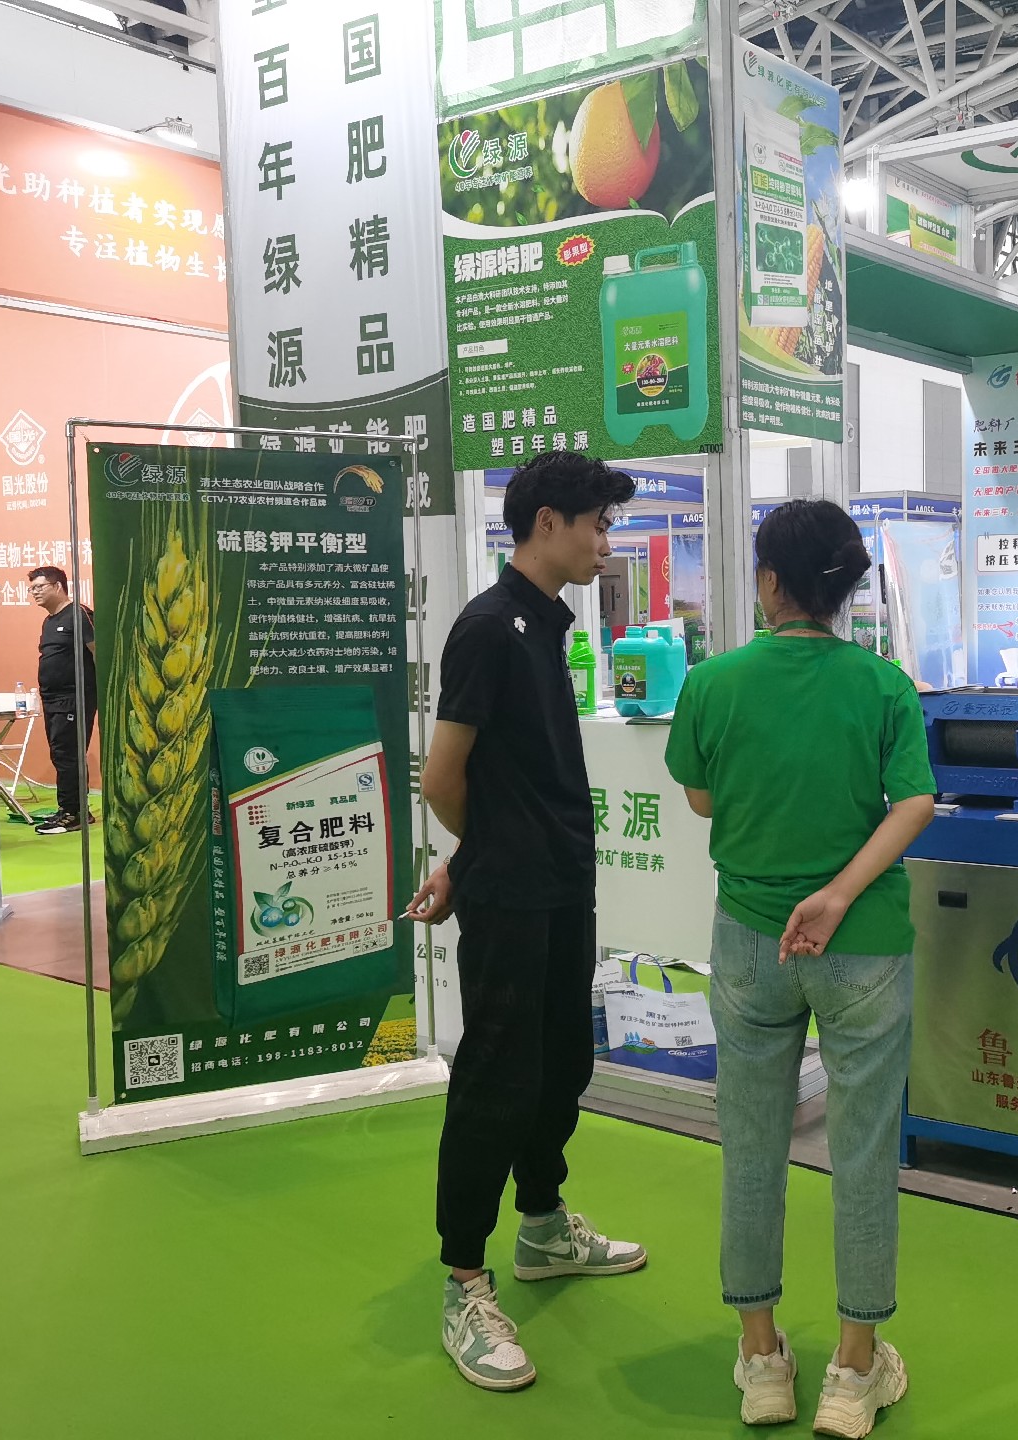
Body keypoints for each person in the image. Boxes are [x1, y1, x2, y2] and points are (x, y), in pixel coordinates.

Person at [667, 499, 935, 1437]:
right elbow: (914, 803)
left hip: (749, 939)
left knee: (750, 1146)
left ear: (770, 582)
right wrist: (839, 892)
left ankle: (761, 1359)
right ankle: (854, 1372)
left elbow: (702, 797)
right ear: (844, 588)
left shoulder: (715, 682)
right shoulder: (885, 686)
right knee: (862, 1150)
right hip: (863, 940)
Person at [405, 451, 645, 1393]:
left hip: (559, 886)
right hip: (514, 895)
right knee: (498, 1077)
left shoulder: (544, 624)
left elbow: (505, 776)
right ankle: (465, 1278)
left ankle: (543, 1225)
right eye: (598, 524)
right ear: (549, 522)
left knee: (562, 1062)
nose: (605, 542)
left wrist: (470, 857)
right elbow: (442, 778)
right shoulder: (487, 628)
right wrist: (483, 861)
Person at [28, 566, 96, 835]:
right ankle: (73, 809)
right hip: (52, 699)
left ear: (58, 586)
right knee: (60, 754)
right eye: (32, 588)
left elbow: (98, 651)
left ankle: (73, 813)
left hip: (74, 698)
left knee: (69, 755)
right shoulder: (49, 621)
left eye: (39, 587)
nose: (35, 592)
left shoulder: (79, 615)